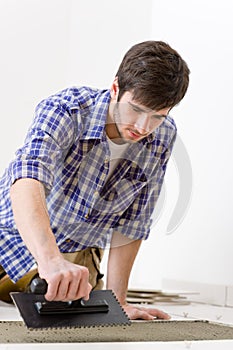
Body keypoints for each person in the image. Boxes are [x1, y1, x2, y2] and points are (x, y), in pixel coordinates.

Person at [0, 40, 190, 320]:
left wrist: (118, 302)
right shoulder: (67, 109)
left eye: (158, 116)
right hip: (12, 239)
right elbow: (27, 179)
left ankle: (40, 281)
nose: (143, 127)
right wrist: (50, 261)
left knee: (68, 306)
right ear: (116, 88)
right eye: (136, 109)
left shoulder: (162, 135)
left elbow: (134, 221)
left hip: (76, 258)